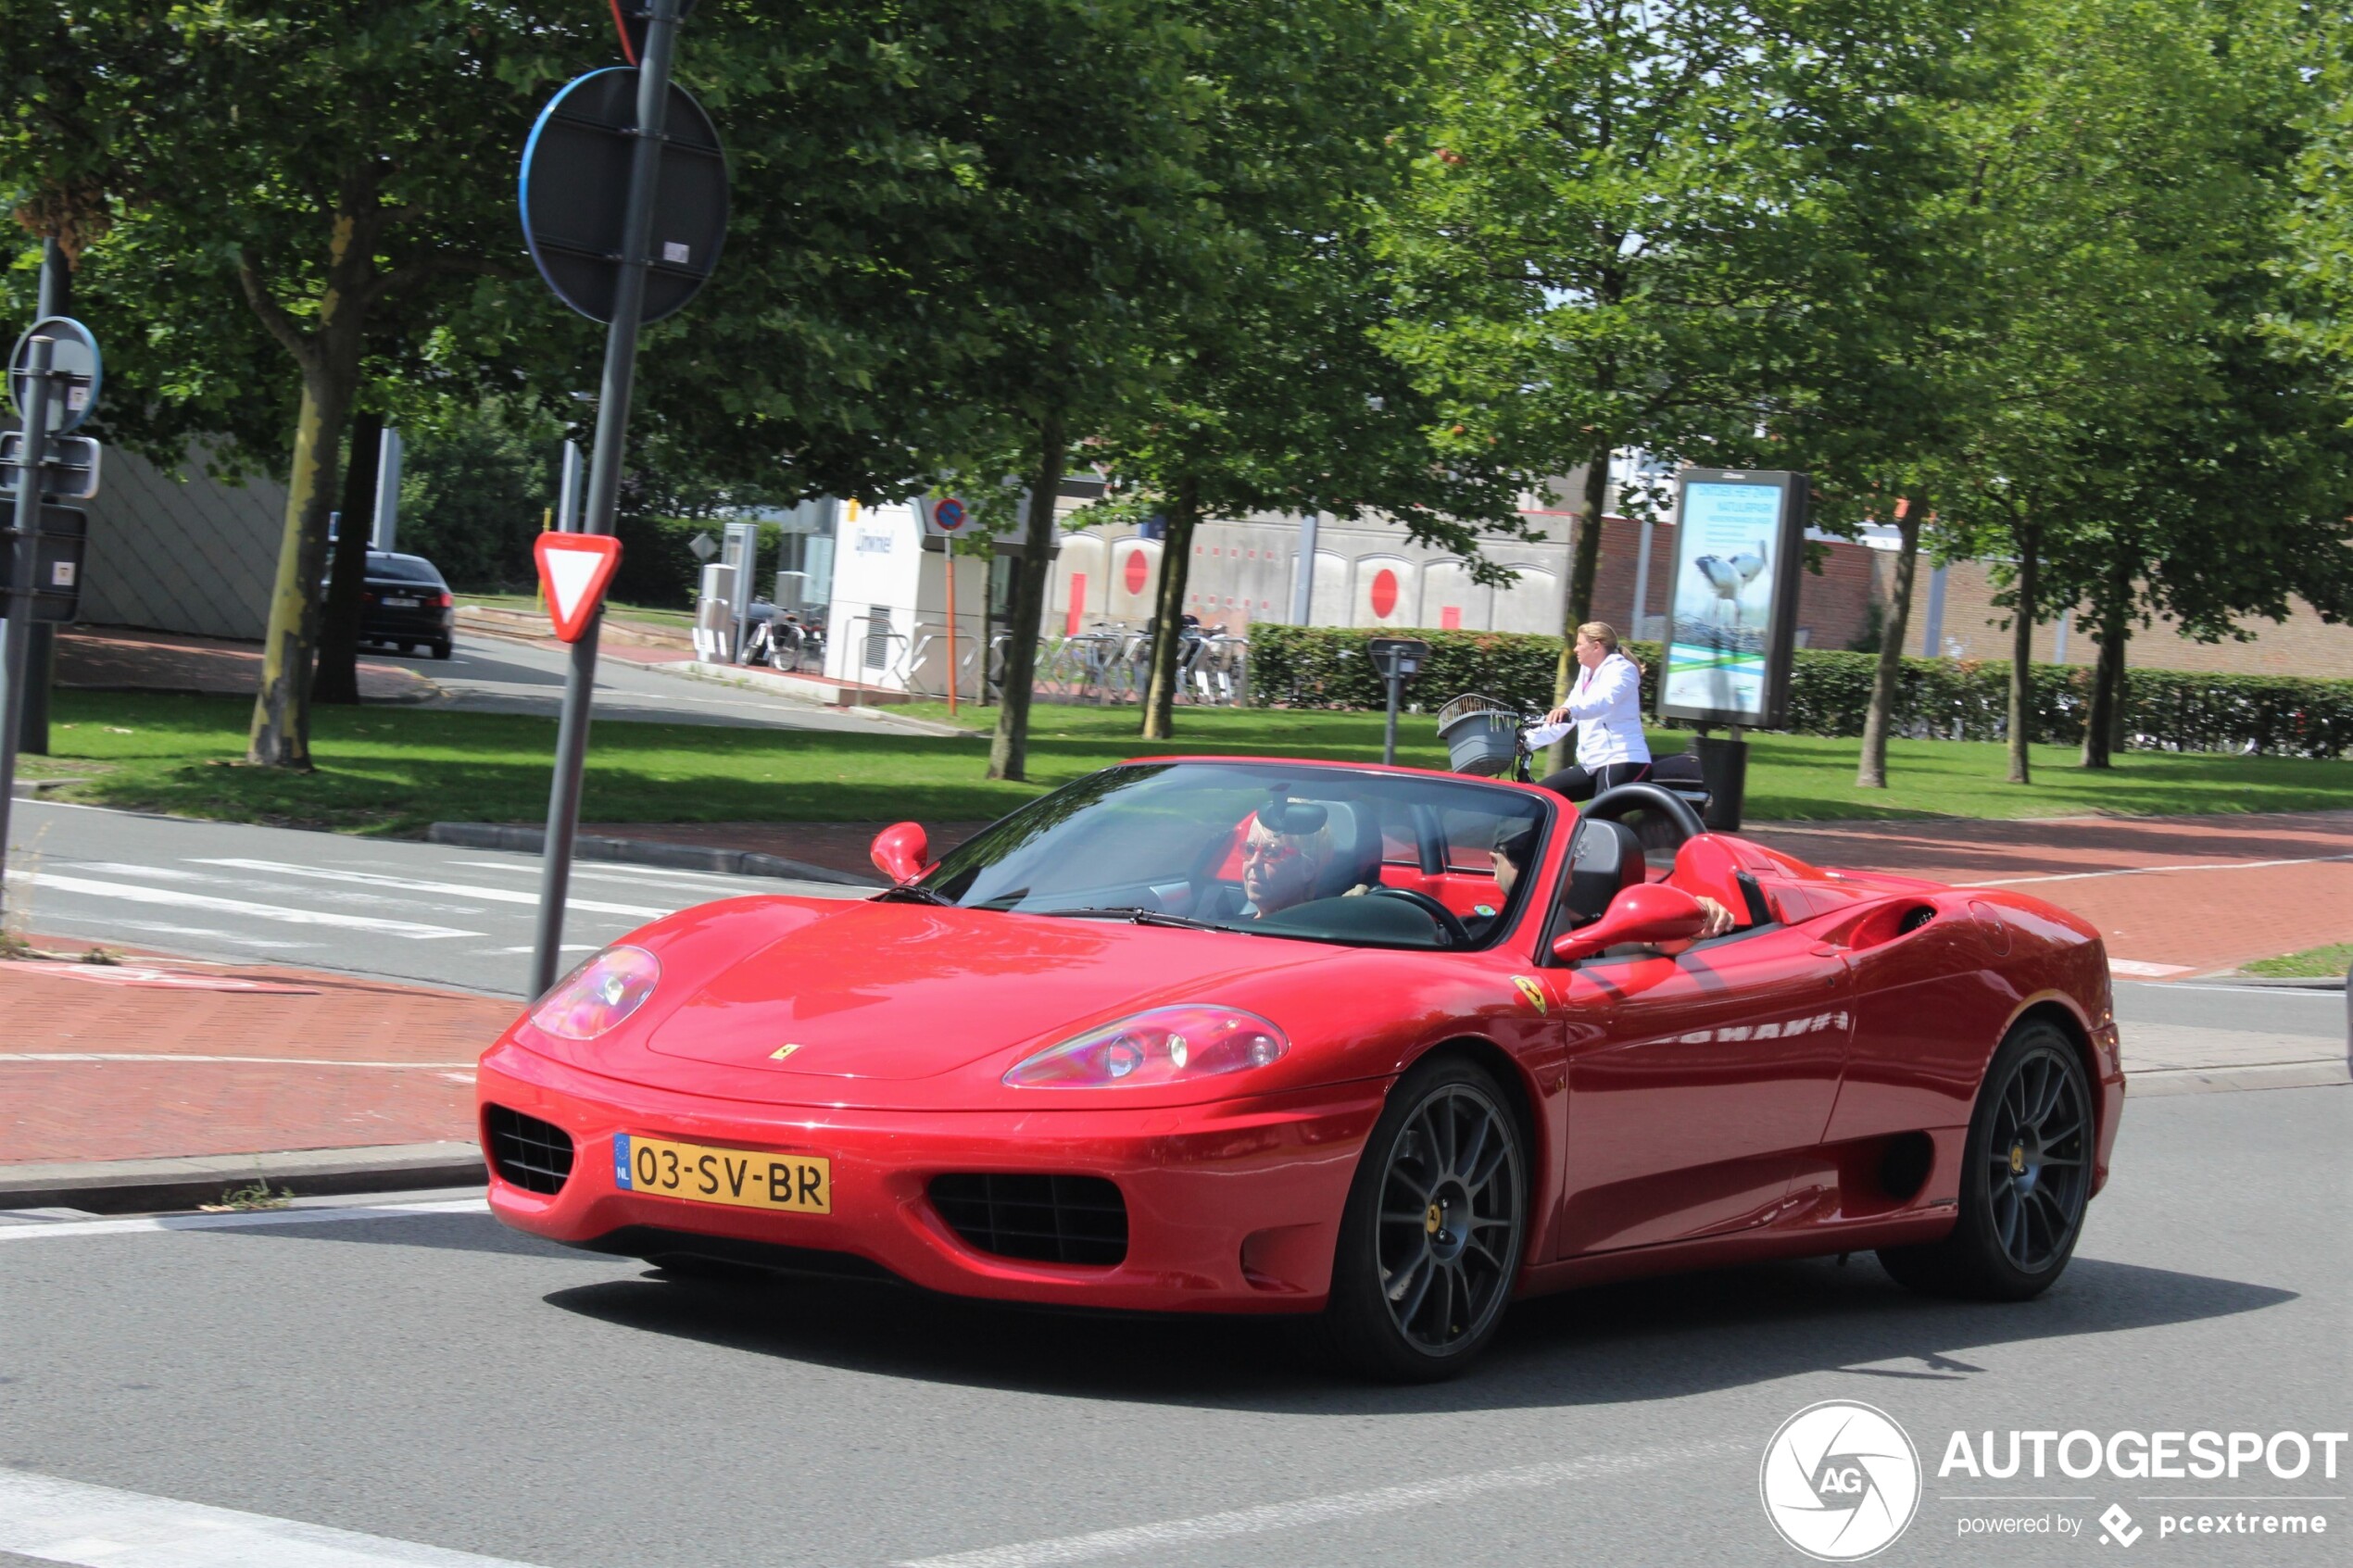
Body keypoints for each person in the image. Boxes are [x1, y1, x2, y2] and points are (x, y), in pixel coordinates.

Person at [1538, 621, 1651, 801]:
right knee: (1540, 796)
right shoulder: (1586, 673)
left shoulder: (1623, 670)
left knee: (1596, 820)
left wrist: (1569, 710)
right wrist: (1526, 742)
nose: (1575, 649)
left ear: (1596, 646)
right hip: (1591, 764)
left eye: (1580, 644)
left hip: (1621, 760)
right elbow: (1566, 717)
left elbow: (1603, 702)